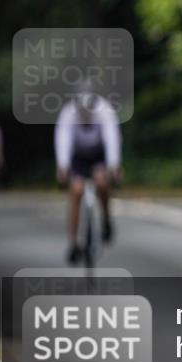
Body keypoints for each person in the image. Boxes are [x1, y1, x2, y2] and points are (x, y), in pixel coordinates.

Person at [54, 81, 122, 264]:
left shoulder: (104, 111)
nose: (85, 113)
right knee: (76, 191)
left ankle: (106, 219)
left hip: (98, 155)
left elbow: (112, 139)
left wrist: (114, 166)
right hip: (78, 157)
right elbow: (63, 140)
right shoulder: (68, 113)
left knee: (102, 182)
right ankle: (74, 242)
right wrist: (62, 166)